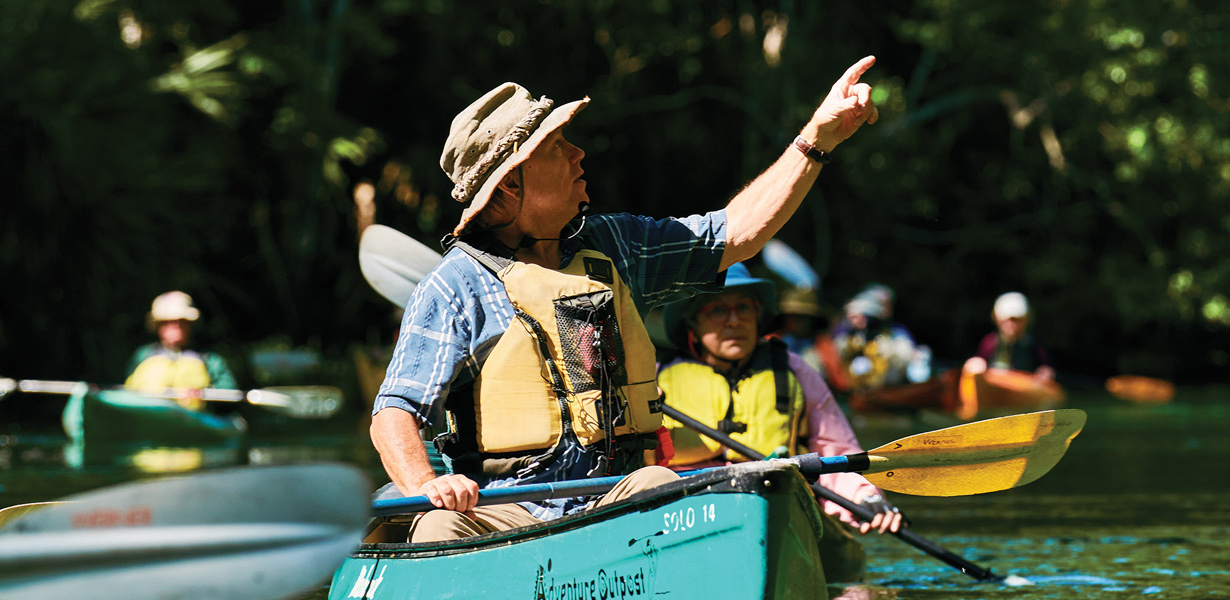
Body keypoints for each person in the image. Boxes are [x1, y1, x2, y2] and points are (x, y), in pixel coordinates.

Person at [370, 57, 881, 543]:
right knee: (437, 529)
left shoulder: (615, 247)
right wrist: (425, 485)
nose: (578, 154)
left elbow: (734, 236)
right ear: (508, 187)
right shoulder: (452, 286)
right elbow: (394, 413)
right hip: (507, 510)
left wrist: (817, 138)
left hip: (617, 496)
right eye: (556, 147)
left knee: (664, 485)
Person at [657, 264, 903, 534]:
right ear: (692, 320)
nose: (734, 321)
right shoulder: (657, 379)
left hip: (775, 496)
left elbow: (837, 452)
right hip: (685, 507)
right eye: (717, 310)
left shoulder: (794, 370)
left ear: (758, 315)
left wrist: (866, 497)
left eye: (744, 308)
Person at [124, 291, 237, 411]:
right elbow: (126, 391)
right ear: (157, 326)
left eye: (181, 320)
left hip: (192, 421)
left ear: (190, 324)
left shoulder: (208, 358)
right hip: (147, 419)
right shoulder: (143, 355)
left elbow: (229, 394)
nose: (175, 325)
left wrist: (204, 394)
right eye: (167, 322)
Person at [827, 285, 927, 391]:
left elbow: (908, 359)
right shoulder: (846, 336)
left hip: (886, 389)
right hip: (851, 388)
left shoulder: (897, 335)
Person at [963, 291, 1054, 381]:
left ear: (1026, 320)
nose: (1011, 324)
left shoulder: (1034, 345)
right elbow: (979, 362)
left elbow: (1045, 369)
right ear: (997, 319)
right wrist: (975, 365)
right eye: (1007, 319)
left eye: (1017, 320)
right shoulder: (990, 342)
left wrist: (1044, 373)